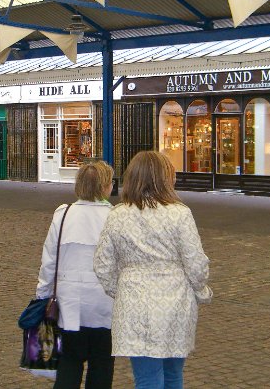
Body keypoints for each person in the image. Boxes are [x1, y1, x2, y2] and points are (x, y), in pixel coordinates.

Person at [94, 151, 212, 389]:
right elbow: (196, 263)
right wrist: (201, 290)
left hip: (135, 301)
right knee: (173, 374)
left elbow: (103, 264)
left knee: (147, 377)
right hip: (176, 302)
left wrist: (122, 289)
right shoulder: (179, 214)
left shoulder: (118, 216)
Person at [36, 160, 116, 389]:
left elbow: (49, 261)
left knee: (69, 365)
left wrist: (42, 295)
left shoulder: (63, 214)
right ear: (106, 186)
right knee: (102, 367)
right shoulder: (116, 217)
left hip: (70, 305)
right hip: (105, 306)